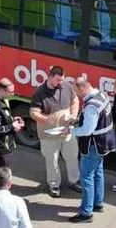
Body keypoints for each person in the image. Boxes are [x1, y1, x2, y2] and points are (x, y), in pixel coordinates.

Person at [69, 75, 115, 223]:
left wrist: (71, 130)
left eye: (77, 91)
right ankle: (98, 203)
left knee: (86, 177)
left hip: (92, 145)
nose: (77, 94)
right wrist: (79, 119)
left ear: (82, 88)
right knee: (98, 172)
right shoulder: (102, 95)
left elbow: (87, 130)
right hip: (104, 143)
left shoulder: (91, 107)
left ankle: (86, 213)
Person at [30, 66, 80, 198]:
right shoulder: (39, 92)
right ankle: (53, 185)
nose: (61, 83)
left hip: (67, 131)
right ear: (50, 76)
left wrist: (73, 116)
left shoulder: (67, 87)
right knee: (52, 160)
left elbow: (75, 101)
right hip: (49, 134)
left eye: (62, 79)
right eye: (58, 80)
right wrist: (46, 120)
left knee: (72, 156)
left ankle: (74, 180)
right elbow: (33, 113)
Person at [0, 77, 25, 182]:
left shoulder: (1, 101)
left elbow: (1, 120)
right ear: (1, 90)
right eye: (10, 92)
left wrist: (12, 120)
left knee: (1, 175)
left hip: (3, 146)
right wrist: (12, 127)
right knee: (2, 176)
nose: (12, 94)